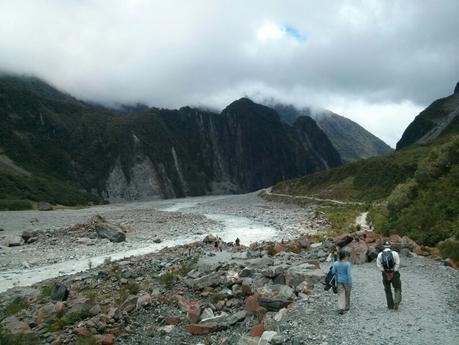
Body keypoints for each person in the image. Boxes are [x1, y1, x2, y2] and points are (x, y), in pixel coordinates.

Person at [376, 240, 401, 310]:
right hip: (395, 273)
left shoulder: (380, 254)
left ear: (383, 246)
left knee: (387, 289)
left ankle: (390, 305)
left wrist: (385, 272)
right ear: (390, 246)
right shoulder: (395, 253)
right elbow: (398, 263)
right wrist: (394, 271)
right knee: (397, 287)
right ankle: (396, 301)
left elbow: (378, 265)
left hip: (385, 273)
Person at [332, 250, 352, 314]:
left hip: (339, 280)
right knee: (347, 293)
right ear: (344, 256)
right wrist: (350, 282)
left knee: (341, 294)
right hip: (347, 281)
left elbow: (333, 271)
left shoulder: (336, 263)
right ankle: (347, 306)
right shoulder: (348, 264)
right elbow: (349, 274)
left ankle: (341, 307)